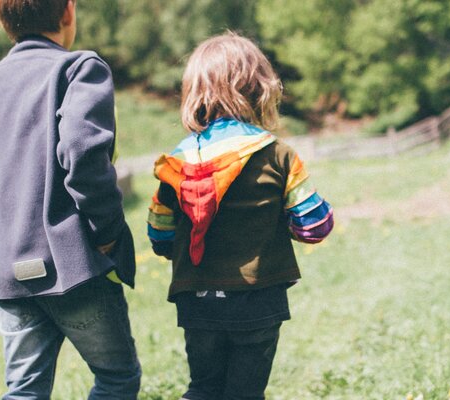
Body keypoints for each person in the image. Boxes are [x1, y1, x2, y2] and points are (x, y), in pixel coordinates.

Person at [0, 0, 140, 398]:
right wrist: (108, 232)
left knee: (24, 392)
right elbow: (83, 154)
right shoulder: (79, 68)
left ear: (3, 21)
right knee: (117, 377)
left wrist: (5, 231)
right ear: (68, 11)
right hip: (76, 267)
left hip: (10, 274)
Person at [147, 32, 334, 400]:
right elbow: (314, 226)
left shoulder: (176, 163)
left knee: (203, 387)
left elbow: (159, 235)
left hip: (197, 300)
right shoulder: (279, 156)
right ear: (259, 88)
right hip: (258, 300)